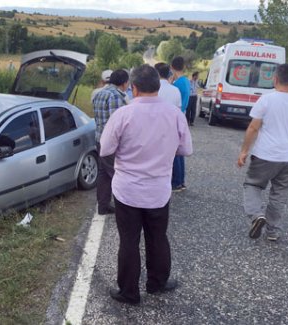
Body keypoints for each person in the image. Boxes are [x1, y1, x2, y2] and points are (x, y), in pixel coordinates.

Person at [100, 64, 192, 305]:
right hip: (158, 190)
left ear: (134, 88)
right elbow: (186, 149)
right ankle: (157, 283)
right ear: (158, 87)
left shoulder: (123, 114)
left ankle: (129, 292)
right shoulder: (174, 114)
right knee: (157, 237)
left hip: (127, 190)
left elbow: (106, 148)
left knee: (129, 240)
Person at [237, 63, 288, 242]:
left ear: (275, 78)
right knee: (279, 195)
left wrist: (244, 151)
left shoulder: (266, 100)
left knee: (253, 186)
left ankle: (257, 215)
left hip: (265, 155)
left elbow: (253, 128)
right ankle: (272, 231)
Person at [92, 69, 129, 215]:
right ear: (124, 83)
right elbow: (117, 124)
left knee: (104, 174)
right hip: (111, 143)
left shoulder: (99, 93)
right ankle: (125, 208)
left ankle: (103, 206)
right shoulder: (115, 96)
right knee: (118, 174)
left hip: (99, 138)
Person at [170, 56, 191, 192]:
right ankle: (181, 181)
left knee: (175, 152)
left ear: (172, 68)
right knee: (180, 152)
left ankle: (176, 182)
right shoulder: (186, 81)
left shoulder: (176, 85)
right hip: (182, 116)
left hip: (176, 117)